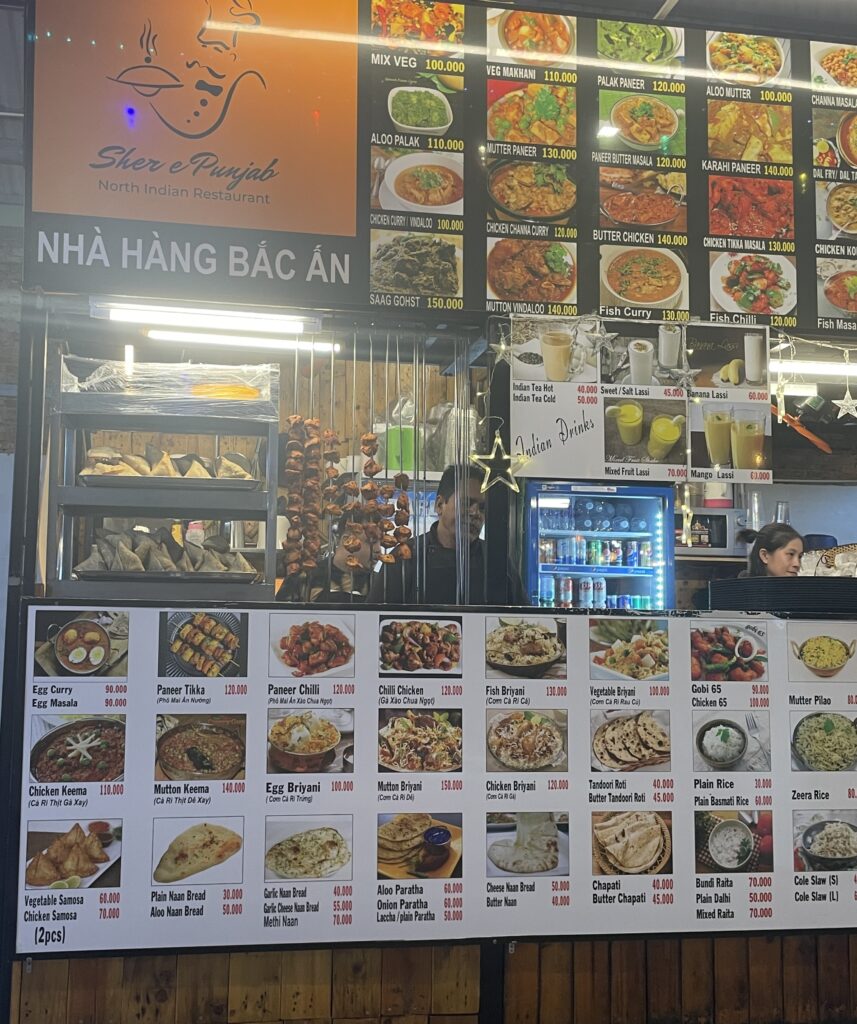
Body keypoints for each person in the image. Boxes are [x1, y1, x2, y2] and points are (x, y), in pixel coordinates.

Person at [369, 464, 524, 606]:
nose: (475, 513)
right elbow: (374, 621)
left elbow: (523, 619)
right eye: (466, 503)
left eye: (482, 508)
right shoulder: (405, 556)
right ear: (439, 505)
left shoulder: (497, 560)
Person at [277, 514, 380, 603]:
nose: (378, 549)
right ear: (348, 540)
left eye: (381, 542)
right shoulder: (303, 578)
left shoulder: (380, 585)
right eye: (371, 541)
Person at [737, 523, 804, 578]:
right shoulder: (743, 592)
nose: (797, 564)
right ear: (764, 555)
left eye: (799, 557)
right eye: (791, 554)